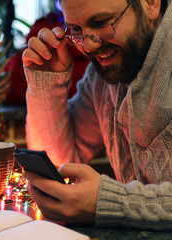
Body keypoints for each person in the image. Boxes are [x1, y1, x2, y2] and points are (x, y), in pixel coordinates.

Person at [22, 0, 172, 230]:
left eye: (101, 22)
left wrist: (112, 203)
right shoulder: (100, 77)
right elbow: (61, 163)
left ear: (150, 3)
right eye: (77, 30)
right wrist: (46, 84)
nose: (88, 47)